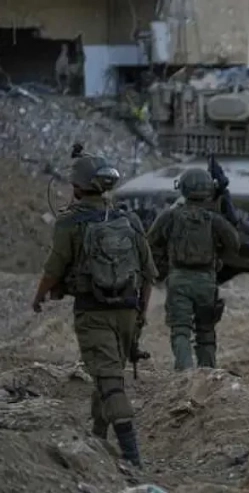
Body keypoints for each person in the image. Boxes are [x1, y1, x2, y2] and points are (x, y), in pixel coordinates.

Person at [31, 155, 158, 468]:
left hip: (93, 312)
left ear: (77, 187)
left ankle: (132, 457)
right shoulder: (129, 220)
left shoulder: (70, 223)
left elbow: (53, 268)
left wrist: (39, 296)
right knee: (108, 372)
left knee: (110, 380)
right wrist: (140, 315)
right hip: (128, 312)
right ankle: (98, 438)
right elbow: (149, 273)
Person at [146, 168, 240, 371]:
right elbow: (234, 243)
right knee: (205, 332)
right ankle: (208, 375)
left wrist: (161, 264)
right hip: (206, 280)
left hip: (178, 278)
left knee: (180, 330)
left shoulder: (170, 216)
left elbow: (150, 242)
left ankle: (185, 373)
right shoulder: (214, 220)